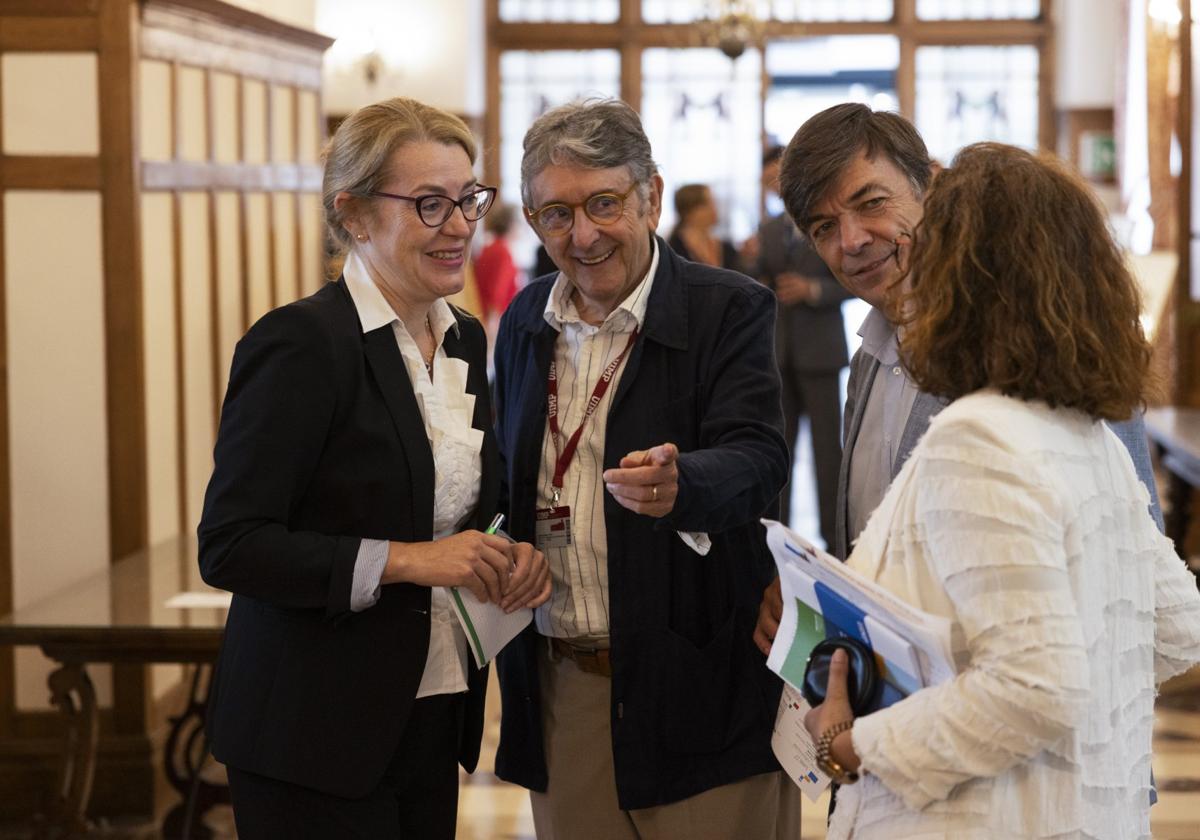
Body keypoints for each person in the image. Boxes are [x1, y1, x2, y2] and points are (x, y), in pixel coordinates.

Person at [799, 141, 1200, 839]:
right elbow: (1175, 628)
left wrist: (851, 742)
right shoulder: (1087, 436)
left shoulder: (977, 435)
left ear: (968, 273)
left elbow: (1035, 686)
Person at [196, 96, 551, 838]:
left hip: (431, 702)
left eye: (467, 200)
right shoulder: (301, 344)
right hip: (310, 730)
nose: (459, 226)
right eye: (429, 204)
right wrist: (415, 561)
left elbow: (454, 511)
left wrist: (505, 555)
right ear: (354, 214)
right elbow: (232, 545)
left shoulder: (463, 342)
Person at [492, 97, 798, 840]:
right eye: (556, 214)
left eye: (604, 204)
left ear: (651, 196)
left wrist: (684, 483)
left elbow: (760, 458)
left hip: (699, 690)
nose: (584, 234)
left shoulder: (728, 309)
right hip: (564, 684)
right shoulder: (523, 325)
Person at [753, 103, 1162, 657]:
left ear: (932, 188)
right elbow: (881, 545)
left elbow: (1136, 562)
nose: (851, 241)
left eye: (871, 202)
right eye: (824, 228)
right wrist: (817, 596)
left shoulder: (1039, 339)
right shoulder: (870, 357)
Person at [753, 145, 851, 542]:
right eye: (770, 180)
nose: (775, 186)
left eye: (779, 177)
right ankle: (781, 540)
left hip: (822, 352)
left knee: (831, 453)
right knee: (780, 452)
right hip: (779, 352)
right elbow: (759, 275)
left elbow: (852, 280)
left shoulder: (827, 221)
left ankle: (836, 540)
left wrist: (812, 289)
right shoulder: (769, 229)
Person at [666, 183, 741, 269]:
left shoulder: (727, 249)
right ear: (689, 211)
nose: (714, 209)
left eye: (714, 202)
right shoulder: (674, 251)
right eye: (707, 204)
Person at [474, 202, 521, 329]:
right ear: (511, 225)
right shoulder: (503, 252)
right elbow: (497, 293)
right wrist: (492, 327)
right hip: (495, 321)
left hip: (482, 314)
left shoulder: (488, 248)